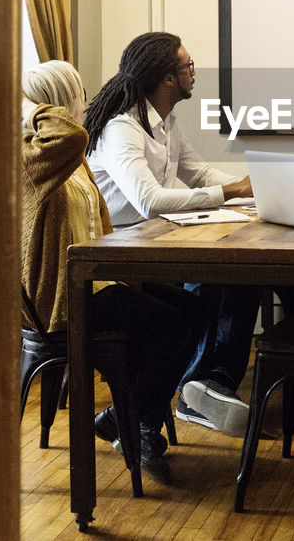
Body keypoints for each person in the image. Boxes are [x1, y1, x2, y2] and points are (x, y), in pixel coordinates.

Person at [20, 60, 202, 485]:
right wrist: (36, 106)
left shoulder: (69, 155)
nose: (86, 102)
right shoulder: (37, 151)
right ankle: (135, 422)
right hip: (65, 295)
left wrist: (125, 274)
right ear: (64, 101)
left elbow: (96, 223)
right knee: (169, 325)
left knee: (190, 310)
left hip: (95, 280)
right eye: (78, 94)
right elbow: (73, 133)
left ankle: (125, 416)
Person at [83, 32, 259, 438]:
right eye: (188, 67)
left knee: (208, 303)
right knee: (182, 319)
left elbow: (198, 174)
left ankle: (150, 406)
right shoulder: (121, 128)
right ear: (166, 78)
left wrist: (252, 188)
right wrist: (231, 192)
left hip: (148, 246)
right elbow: (150, 201)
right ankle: (142, 414)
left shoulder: (166, 123)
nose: (194, 74)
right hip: (115, 257)